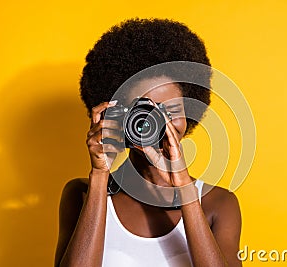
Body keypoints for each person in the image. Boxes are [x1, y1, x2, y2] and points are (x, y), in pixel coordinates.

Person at [55, 18, 241, 267]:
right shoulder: (80, 194)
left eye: (170, 110)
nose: (157, 122)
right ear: (118, 115)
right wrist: (100, 176)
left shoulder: (218, 203)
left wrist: (184, 187)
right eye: (143, 111)